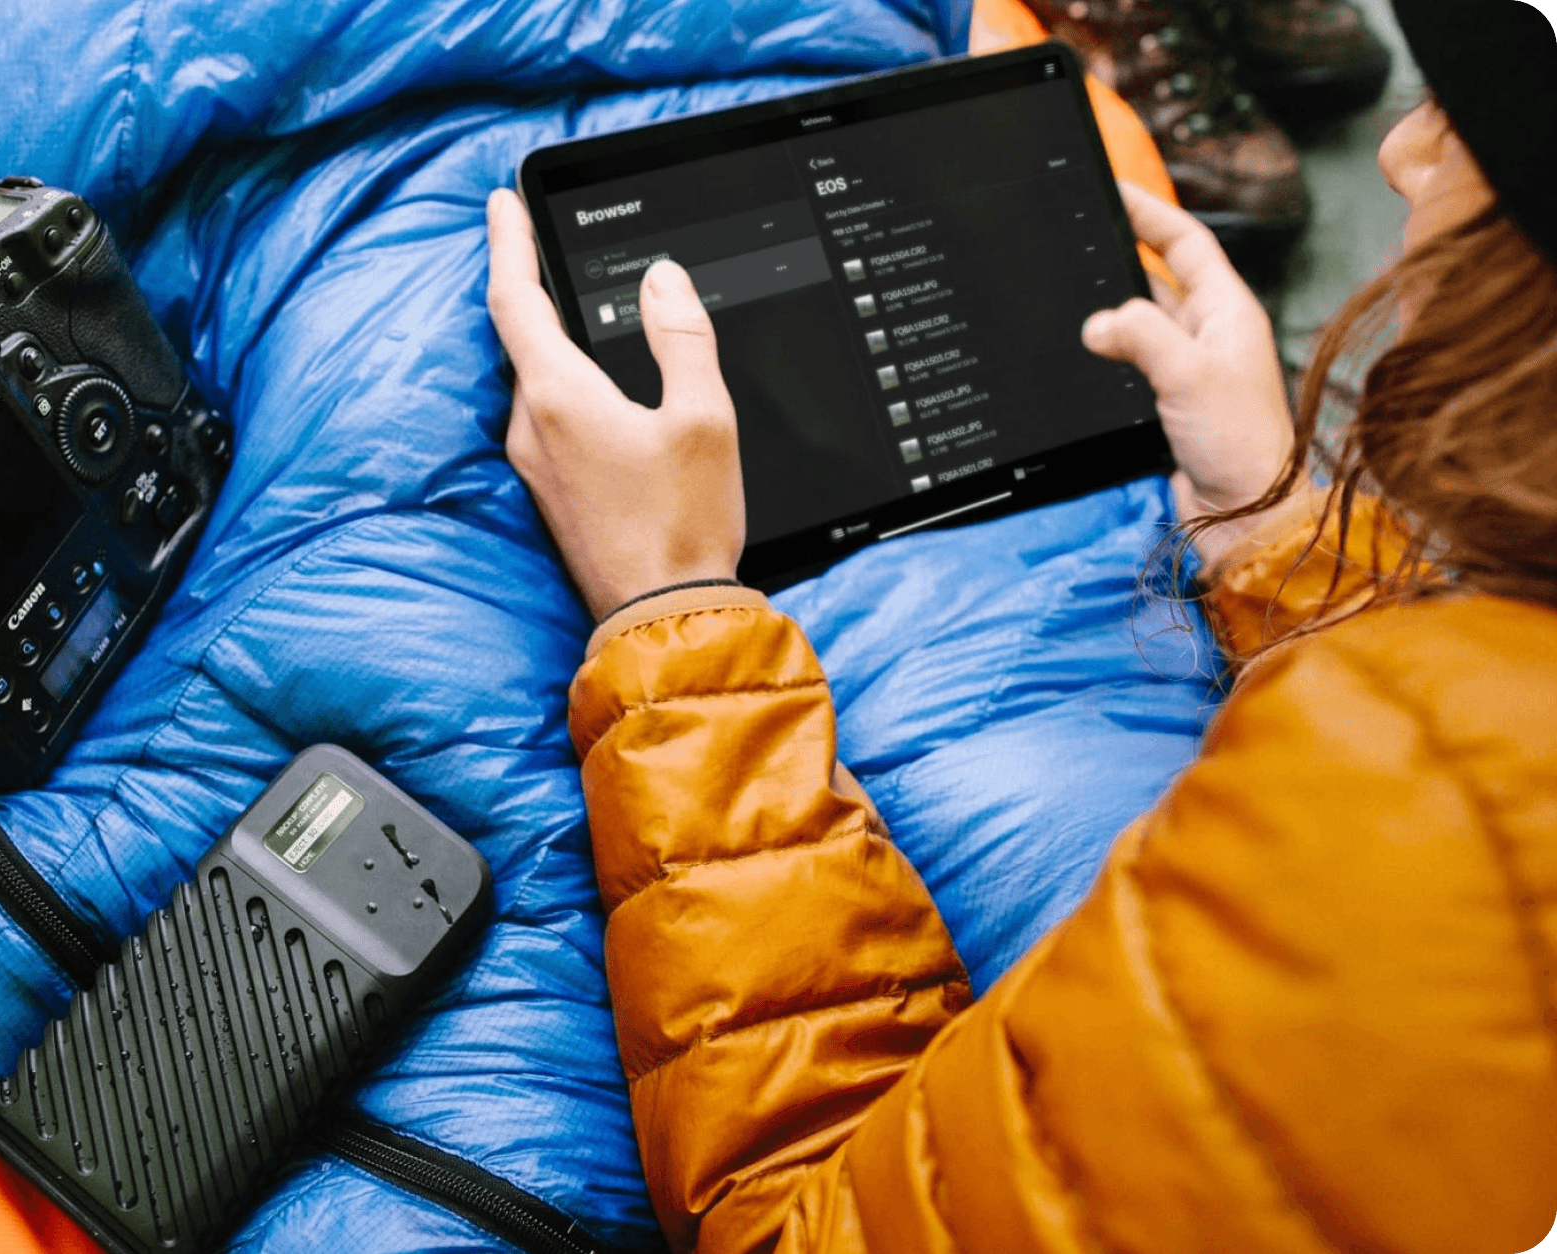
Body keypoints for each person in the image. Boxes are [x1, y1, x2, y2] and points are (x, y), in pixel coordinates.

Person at [483, 0, 1557, 1249]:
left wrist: (670, 614)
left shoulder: (1445, 861)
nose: (1402, 153)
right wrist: (1275, 528)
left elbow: (802, 1228)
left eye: (1491, 125)